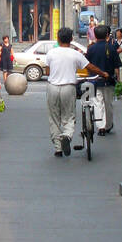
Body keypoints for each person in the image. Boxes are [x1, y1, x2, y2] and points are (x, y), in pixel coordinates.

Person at [45, 26, 95, 156]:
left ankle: (58, 148)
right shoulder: (75, 53)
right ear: (71, 39)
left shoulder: (51, 53)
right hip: (68, 87)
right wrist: (104, 73)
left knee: (54, 118)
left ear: (58, 38)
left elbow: (47, 71)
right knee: (69, 116)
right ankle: (66, 135)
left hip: (52, 87)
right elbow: (89, 66)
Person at [84, 25, 121, 133]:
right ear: (107, 35)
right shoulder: (112, 48)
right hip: (109, 80)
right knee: (108, 103)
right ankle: (108, 125)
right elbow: (116, 66)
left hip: (95, 80)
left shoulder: (91, 48)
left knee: (97, 103)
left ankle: (100, 126)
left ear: (95, 35)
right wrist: (118, 78)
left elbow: (87, 64)